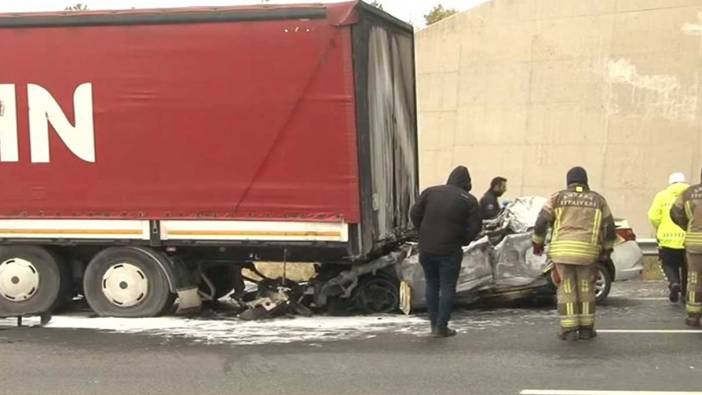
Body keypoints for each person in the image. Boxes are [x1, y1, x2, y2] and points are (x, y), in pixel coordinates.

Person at [532, 167, 617, 341]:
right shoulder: (598, 200)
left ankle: (569, 330)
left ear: (568, 181)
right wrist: (607, 249)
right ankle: (586, 330)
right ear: (586, 181)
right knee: (586, 289)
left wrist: (537, 242)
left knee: (567, 288)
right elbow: (609, 227)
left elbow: (542, 221)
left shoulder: (557, 198)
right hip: (587, 252)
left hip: (562, 252)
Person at [410, 166, 481, 337]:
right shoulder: (469, 200)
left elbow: (414, 213)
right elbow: (475, 227)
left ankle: (434, 324)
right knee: (447, 286)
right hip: (449, 250)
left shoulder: (430, 192)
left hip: (426, 248)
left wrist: (423, 231)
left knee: (432, 284)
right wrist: (463, 240)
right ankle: (442, 327)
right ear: (467, 183)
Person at [648, 172, 689, 303]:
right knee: (686, 266)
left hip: (667, 239)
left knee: (669, 264)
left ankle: (674, 282)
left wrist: (660, 226)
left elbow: (653, 216)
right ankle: (684, 293)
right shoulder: (690, 195)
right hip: (688, 238)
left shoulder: (662, 196)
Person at [670, 169, 702, 327]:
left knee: (694, 279)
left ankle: (693, 316)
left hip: (694, 244)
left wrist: (688, 226)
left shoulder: (688, 193)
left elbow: (675, 213)